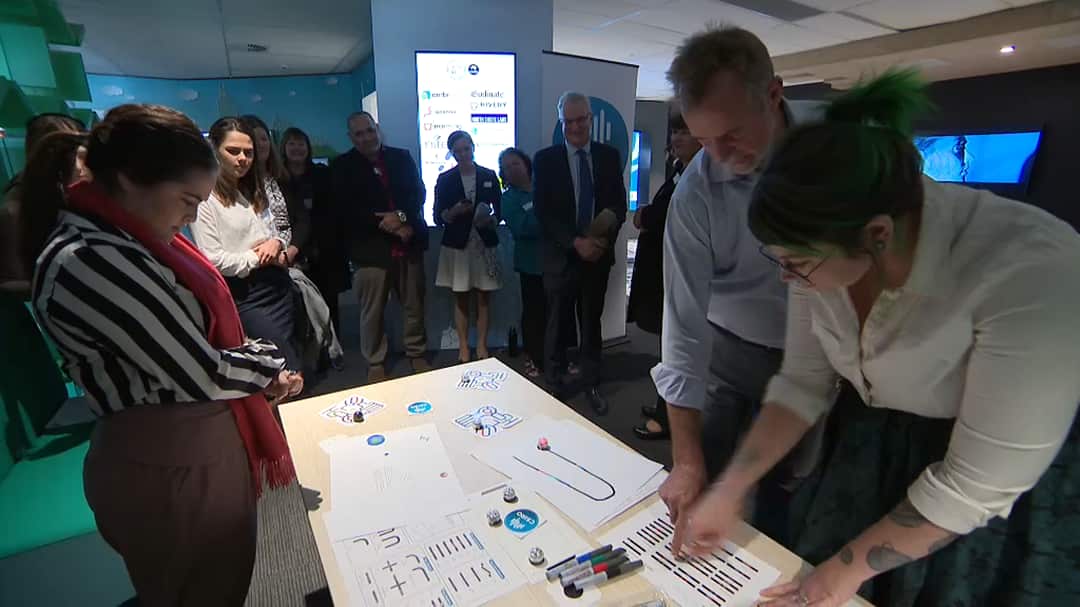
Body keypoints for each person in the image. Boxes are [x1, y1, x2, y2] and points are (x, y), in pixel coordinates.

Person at [680, 70, 1080, 607]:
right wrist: (730, 489)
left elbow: (974, 486)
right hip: (875, 442)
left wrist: (843, 572)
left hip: (1000, 486)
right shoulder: (825, 249)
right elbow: (801, 383)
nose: (786, 280)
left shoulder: (1033, 270)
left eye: (796, 265)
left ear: (877, 234)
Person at [28, 104, 303, 604]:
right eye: (186, 199)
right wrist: (268, 368)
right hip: (170, 462)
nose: (192, 216)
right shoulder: (91, 258)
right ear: (132, 182)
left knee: (214, 583)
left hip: (192, 452)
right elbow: (199, 369)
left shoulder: (124, 240)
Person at [651, 26, 823, 547]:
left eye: (731, 135)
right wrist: (685, 460)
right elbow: (682, 331)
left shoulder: (837, 149)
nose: (719, 157)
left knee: (797, 493)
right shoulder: (696, 191)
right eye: (703, 140)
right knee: (709, 479)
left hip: (823, 355)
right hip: (725, 350)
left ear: (774, 95)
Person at [533, 92, 626, 415]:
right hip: (561, 257)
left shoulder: (608, 156)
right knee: (556, 324)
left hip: (597, 258)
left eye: (580, 119)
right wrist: (576, 242)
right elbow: (543, 212)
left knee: (591, 323)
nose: (575, 126)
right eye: (568, 121)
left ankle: (591, 382)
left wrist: (600, 241)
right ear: (562, 123)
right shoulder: (545, 159)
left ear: (589, 118)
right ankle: (554, 385)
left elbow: (619, 205)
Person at [191, 116, 304, 372]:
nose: (242, 158)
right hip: (246, 294)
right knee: (281, 369)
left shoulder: (254, 188)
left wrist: (275, 242)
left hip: (279, 285)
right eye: (233, 151)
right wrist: (258, 257)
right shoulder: (205, 198)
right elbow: (212, 260)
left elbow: (274, 230)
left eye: (248, 152)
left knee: (294, 364)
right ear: (215, 150)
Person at [330, 111, 430, 382]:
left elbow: (417, 193)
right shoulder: (341, 165)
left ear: (378, 130)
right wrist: (388, 222)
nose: (366, 137)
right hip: (369, 249)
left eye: (370, 130)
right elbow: (344, 209)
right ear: (351, 137)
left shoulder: (401, 157)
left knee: (413, 304)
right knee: (371, 311)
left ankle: (416, 352)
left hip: (408, 241)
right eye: (359, 133)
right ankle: (375, 359)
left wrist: (401, 218)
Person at [244, 116, 343, 373]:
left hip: (290, 259)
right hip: (254, 271)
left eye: (264, 137)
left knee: (304, 319)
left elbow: (299, 219)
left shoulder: (280, 178)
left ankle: (309, 369)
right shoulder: (236, 185)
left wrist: (290, 250)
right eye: (254, 139)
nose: (260, 144)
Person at [628, 111, 701, 440]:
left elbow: (674, 215)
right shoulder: (680, 170)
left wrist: (647, 215)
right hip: (664, 269)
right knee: (669, 344)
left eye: (684, 131)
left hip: (684, 276)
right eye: (674, 132)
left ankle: (669, 418)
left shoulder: (702, 176)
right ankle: (668, 407)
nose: (676, 138)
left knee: (678, 349)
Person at [434, 130, 502, 362]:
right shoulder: (445, 179)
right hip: (457, 246)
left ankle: (481, 345)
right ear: (452, 153)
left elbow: (499, 210)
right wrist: (452, 212)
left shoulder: (489, 174)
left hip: (483, 244)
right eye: (458, 151)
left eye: (467, 148)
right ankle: (463, 346)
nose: (463, 154)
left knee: (484, 297)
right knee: (460, 297)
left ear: (473, 147)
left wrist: (490, 218)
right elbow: (437, 216)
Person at [1, 113, 87, 292]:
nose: (83, 168)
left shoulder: (60, 197)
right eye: (77, 156)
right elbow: (9, 282)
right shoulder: (14, 213)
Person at [280, 126, 347, 332]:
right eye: (292, 143)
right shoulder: (277, 179)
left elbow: (335, 211)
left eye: (301, 144)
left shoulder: (323, 174)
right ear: (283, 148)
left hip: (325, 251)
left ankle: (333, 352)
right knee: (296, 306)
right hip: (291, 252)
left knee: (329, 304)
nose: (297, 148)